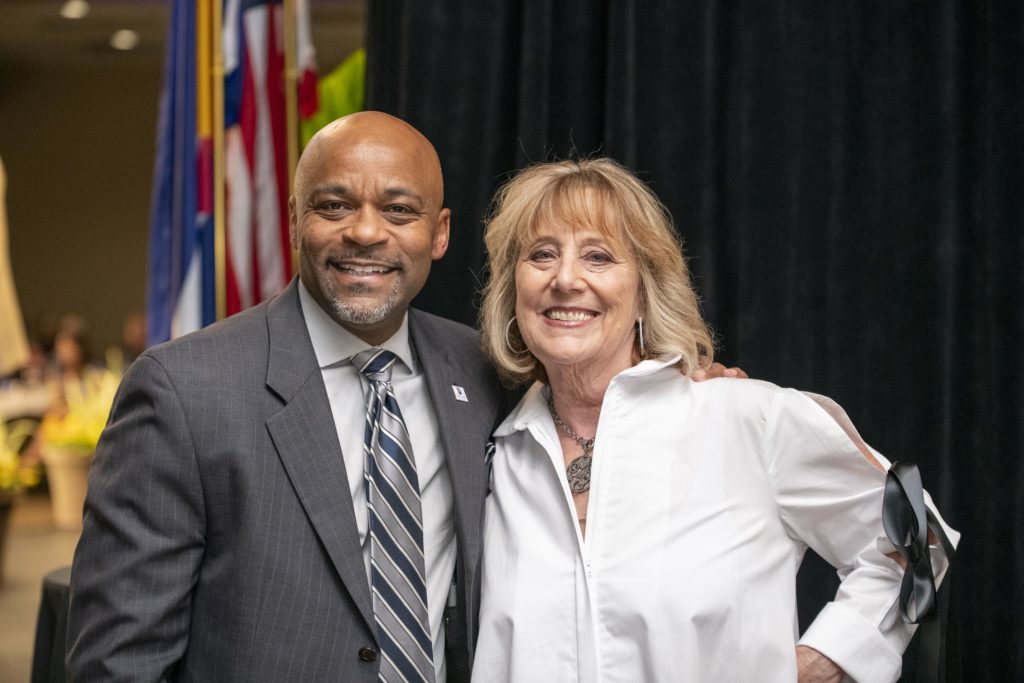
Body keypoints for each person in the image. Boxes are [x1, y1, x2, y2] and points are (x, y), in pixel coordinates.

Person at [66, 112, 740, 682]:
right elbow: (117, 662)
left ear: (438, 233)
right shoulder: (184, 391)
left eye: (398, 209)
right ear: (295, 218)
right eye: (334, 206)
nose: (366, 232)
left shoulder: (488, 372)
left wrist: (682, 385)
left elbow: (591, 394)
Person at [473, 158, 958, 682]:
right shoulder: (492, 451)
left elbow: (918, 538)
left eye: (598, 256)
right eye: (542, 255)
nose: (565, 279)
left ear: (644, 292)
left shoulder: (747, 419)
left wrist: (826, 659)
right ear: (513, 290)